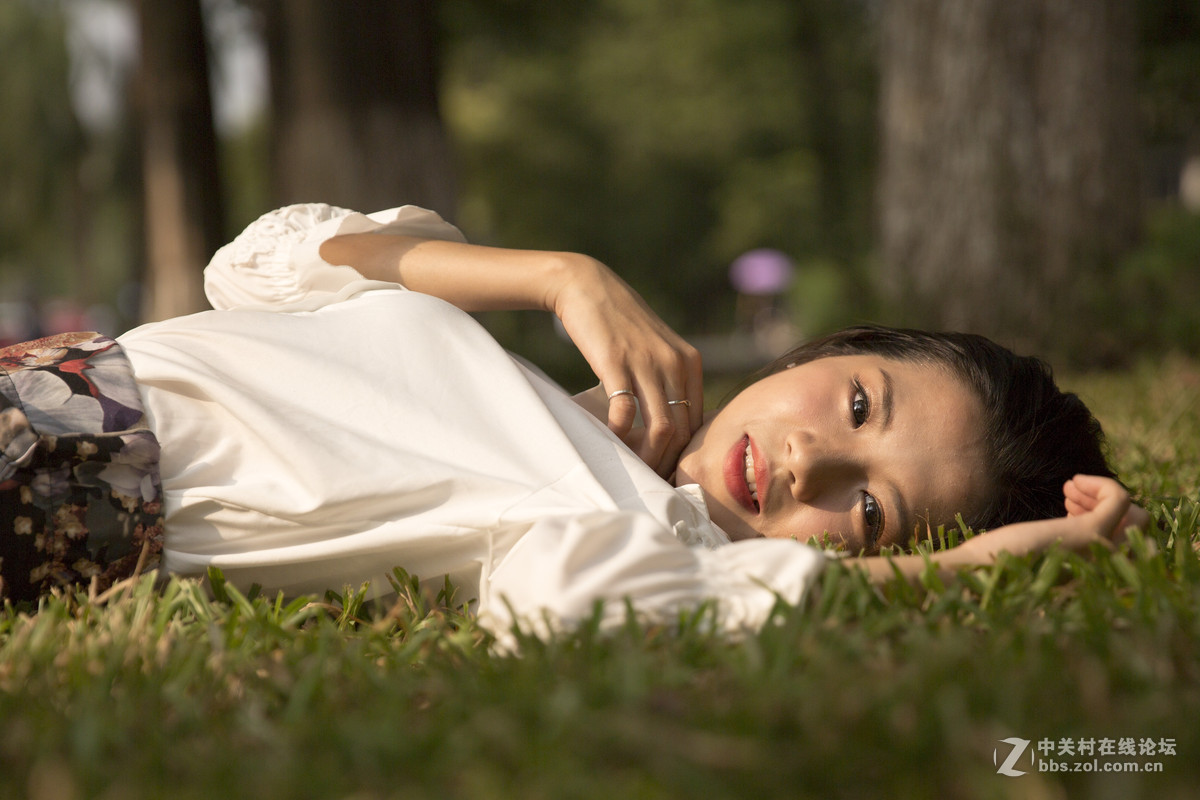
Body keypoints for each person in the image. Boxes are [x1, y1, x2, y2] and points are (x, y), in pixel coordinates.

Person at [0, 204, 1146, 640]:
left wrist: (983, 566)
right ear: (823, 350)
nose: (810, 459)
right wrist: (558, 273)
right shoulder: (532, 391)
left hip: (60, 472)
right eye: (857, 403)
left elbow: (581, 602)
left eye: (870, 502)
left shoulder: (624, 520)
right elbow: (261, 266)